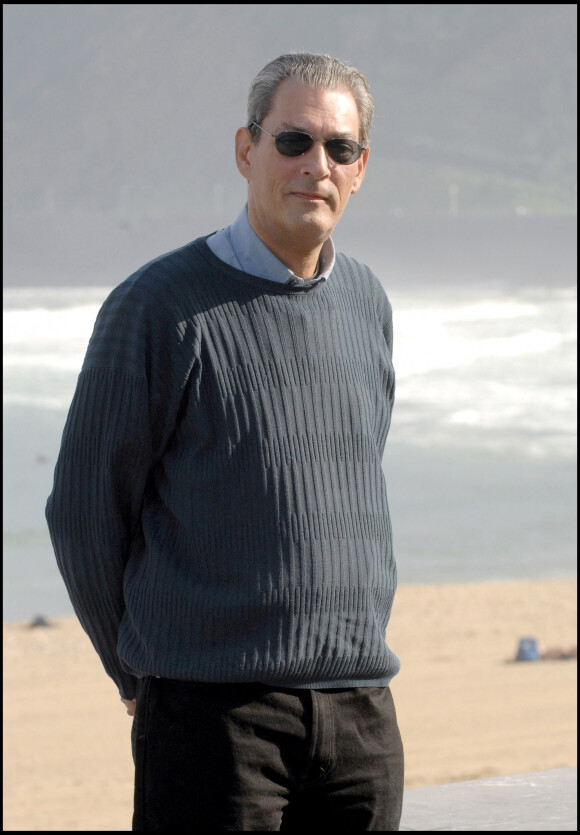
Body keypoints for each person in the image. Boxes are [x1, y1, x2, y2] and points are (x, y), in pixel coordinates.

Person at [46, 52, 403, 831]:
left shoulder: (367, 302)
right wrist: (133, 664)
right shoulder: (157, 306)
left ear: (361, 167)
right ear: (246, 151)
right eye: (292, 142)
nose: (317, 165)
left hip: (362, 711)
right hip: (213, 717)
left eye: (339, 148)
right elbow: (83, 510)